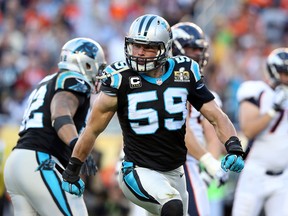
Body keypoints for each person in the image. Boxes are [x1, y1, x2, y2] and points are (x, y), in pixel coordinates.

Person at [61, 14, 245, 216]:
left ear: (165, 48)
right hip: (138, 170)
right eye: (136, 45)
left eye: (148, 47)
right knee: (171, 206)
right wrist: (72, 170)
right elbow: (92, 130)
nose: (139, 53)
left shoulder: (184, 72)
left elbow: (216, 116)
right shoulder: (120, 78)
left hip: (176, 171)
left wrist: (233, 146)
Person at [3, 37, 106, 216]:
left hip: (17, 162)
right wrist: (78, 147)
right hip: (41, 160)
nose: (99, 73)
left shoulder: (48, 80)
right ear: (86, 65)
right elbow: (60, 114)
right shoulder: (74, 79)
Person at [171, 22, 229, 216]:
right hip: (158, 162)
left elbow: (213, 139)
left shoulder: (205, 95)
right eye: (191, 48)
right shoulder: (164, 87)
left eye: (199, 49)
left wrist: (207, 168)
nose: (197, 53)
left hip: (188, 162)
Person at [233, 47, 288, 216]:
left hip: (283, 177)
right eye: (285, 73)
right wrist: (273, 109)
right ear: (274, 72)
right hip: (255, 174)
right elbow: (248, 130)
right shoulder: (256, 90)